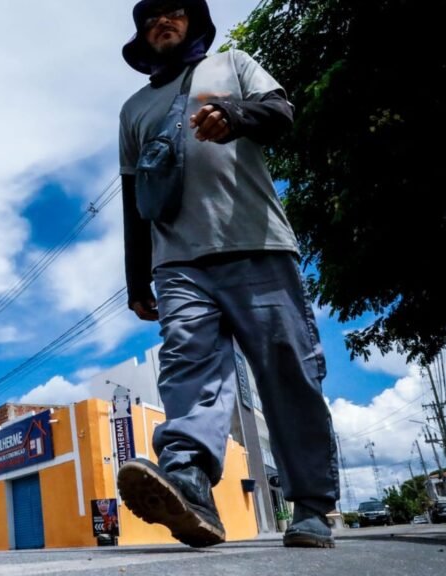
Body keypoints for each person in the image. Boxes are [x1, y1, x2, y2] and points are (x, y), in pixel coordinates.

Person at [116, 0, 338, 549]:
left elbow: (281, 113)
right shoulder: (133, 110)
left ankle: (311, 505)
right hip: (177, 262)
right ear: (142, 33)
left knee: (287, 371)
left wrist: (235, 116)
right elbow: (133, 199)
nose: (162, 21)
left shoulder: (233, 64)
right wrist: (137, 279)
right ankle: (189, 483)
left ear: (193, 21)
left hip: (256, 244)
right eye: (151, 16)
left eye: (174, 10)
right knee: (186, 365)